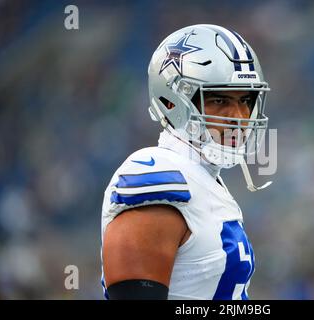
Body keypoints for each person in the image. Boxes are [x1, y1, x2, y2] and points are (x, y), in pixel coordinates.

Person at [100, 24, 272, 300]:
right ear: (172, 101)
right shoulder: (158, 174)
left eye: (246, 100)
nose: (238, 116)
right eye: (219, 99)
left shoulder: (203, 177)